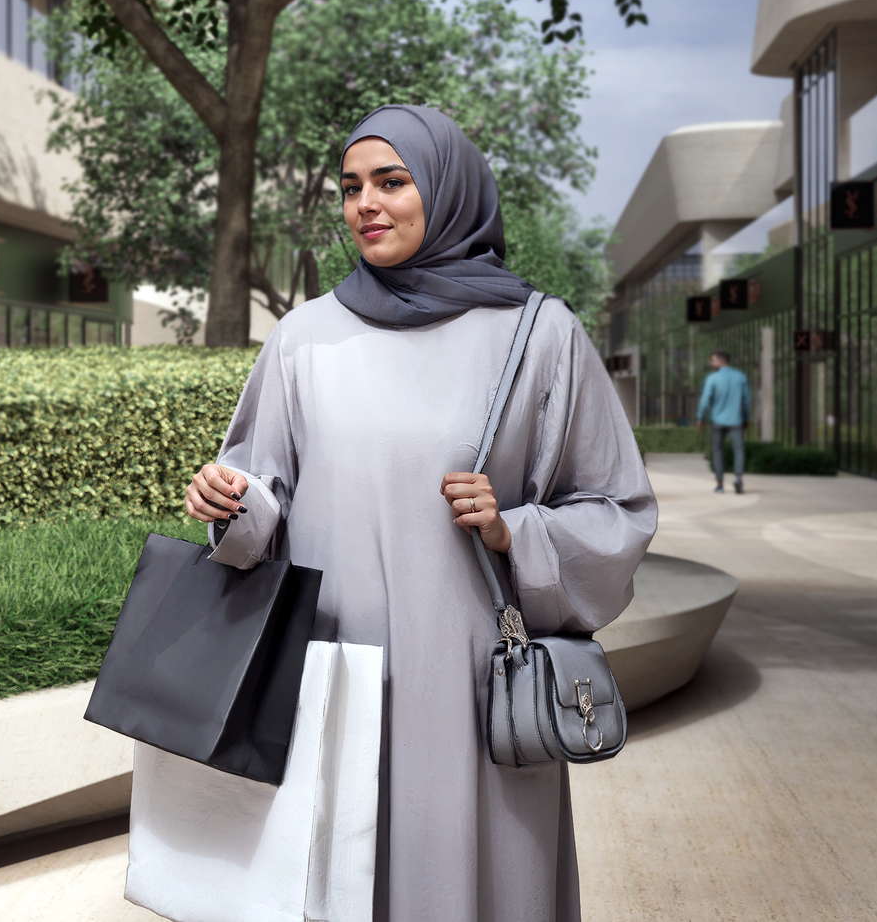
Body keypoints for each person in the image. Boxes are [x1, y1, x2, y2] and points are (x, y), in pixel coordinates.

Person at [182, 104, 655, 922]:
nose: (366, 204)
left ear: (449, 189)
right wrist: (229, 502)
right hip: (333, 677)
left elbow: (618, 510)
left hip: (470, 684)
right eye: (351, 187)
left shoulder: (538, 334)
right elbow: (263, 494)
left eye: (393, 182)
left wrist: (517, 529)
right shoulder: (303, 338)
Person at [695, 350, 752, 493]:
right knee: (738, 450)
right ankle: (738, 478)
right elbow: (746, 401)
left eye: (713, 360)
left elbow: (705, 400)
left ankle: (720, 484)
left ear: (722, 361)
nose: (711, 363)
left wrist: (700, 418)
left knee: (717, 451)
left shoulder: (712, 378)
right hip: (736, 420)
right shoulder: (740, 377)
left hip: (717, 421)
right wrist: (746, 418)